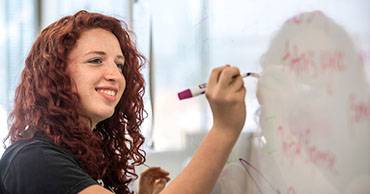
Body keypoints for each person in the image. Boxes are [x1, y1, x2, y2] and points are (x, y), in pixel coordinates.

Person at [0, 10, 246, 194]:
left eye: (119, 65)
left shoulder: (69, 158)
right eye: (96, 60)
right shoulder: (34, 160)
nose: (115, 75)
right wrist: (224, 130)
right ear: (55, 74)